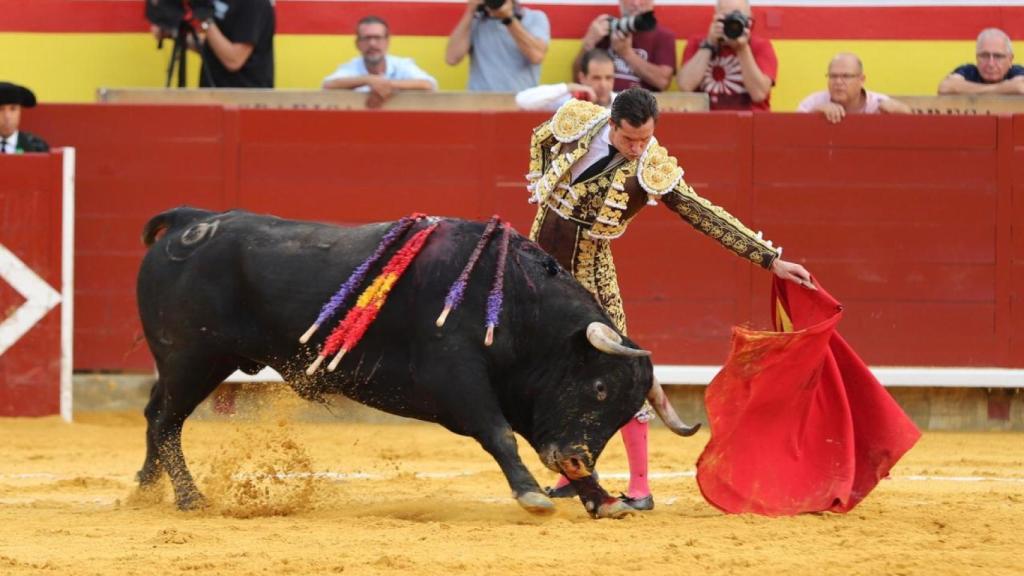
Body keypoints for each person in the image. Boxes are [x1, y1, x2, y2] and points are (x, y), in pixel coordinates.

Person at [526, 87, 812, 510]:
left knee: (623, 369)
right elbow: (541, 137)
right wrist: (542, 180)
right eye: (629, 141)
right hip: (538, 261)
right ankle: (572, 471)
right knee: (552, 367)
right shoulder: (580, 121)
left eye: (645, 140)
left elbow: (703, 213)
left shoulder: (651, 166)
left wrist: (770, 259)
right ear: (611, 123)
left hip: (590, 271)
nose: (638, 149)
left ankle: (640, 487)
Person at [676, 0, 776, 111]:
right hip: (706, 122)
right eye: (726, 17)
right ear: (715, 18)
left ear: (750, 19)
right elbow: (685, 86)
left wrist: (742, 49)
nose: (733, 23)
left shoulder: (761, 46)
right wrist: (709, 44)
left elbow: (759, 94)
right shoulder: (697, 43)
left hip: (750, 123)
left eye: (739, 17)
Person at [322, 16, 438, 109]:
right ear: (357, 44)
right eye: (366, 38)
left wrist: (387, 85)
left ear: (387, 41)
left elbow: (428, 84)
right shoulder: (351, 67)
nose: (372, 44)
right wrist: (368, 79)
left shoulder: (401, 65)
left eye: (377, 38)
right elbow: (328, 85)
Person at [445, 0, 550, 92]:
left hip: (521, 102)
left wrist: (508, 19)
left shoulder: (534, 18)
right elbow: (452, 58)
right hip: (479, 102)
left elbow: (536, 56)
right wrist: (470, 12)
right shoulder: (475, 21)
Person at [571, 0, 675, 92]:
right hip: (602, 105)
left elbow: (662, 82)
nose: (636, 3)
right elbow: (578, 77)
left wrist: (627, 53)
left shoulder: (663, 36)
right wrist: (588, 43)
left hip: (641, 106)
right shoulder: (604, 30)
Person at [797, 53, 911, 123]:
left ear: (862, 80)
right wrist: (814, 115)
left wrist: (903, 111)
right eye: (833, 76)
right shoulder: (813, 103)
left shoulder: (878, 104)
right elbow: (794, 135)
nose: (838, 82)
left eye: (846, 76)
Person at [516, 49, 616, 111]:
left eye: (608, 78)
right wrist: (568, 87)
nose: (603, 85)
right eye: (596, 78)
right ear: (582, 78)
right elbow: (521, 101)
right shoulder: (568, 102)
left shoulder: (623, 103)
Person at [938, 28, 1024, 95]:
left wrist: (969, 90)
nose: (991, 63)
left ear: (1010, 60)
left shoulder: (1017, 71)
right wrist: (1002, 88)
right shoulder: (969, 71)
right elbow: (945, 88)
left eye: (998, 56)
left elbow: (1021, 88)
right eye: (984, 56)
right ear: (977, 58)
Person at [0, 82, 49, 154]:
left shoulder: (37, 147)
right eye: (1, 109)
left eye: (13, 109)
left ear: (19, 111)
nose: (7, 116)